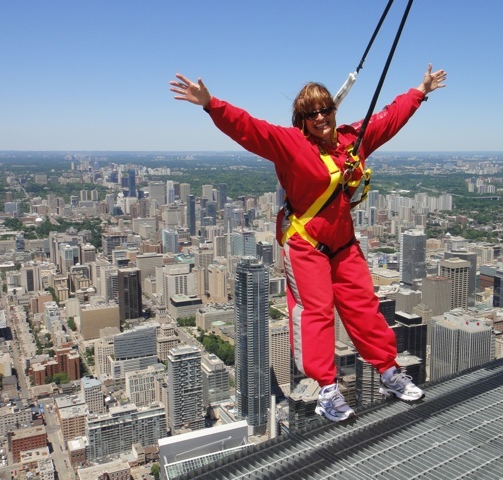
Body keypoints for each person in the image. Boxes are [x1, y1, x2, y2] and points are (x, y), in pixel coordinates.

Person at [170, 64, 447, 422]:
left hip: (343, 242)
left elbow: (389, 119)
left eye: (325, 109)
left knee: (363, 306)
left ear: (334, 110)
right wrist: (212, 105)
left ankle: (388, 372)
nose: (320, 117)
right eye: (310, 113)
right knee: (315, 311)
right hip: (306, 242)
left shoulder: (352, 140)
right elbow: (251, 129)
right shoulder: (291, 145)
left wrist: (419, 92)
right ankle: (328, 392)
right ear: (301, 119)